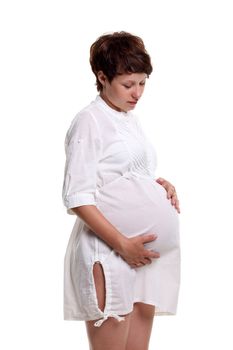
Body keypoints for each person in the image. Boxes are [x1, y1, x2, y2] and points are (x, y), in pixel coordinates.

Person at [62, 31, 181, 350]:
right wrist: (123, 245)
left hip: (143, 257)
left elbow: (126, 175)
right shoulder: (89, 121)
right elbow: (78, 197)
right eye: (128, 84)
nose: (137, 93)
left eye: (142, 83)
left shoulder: (130, 120)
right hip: (110, 251)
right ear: (102, 77)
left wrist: (158, 185)